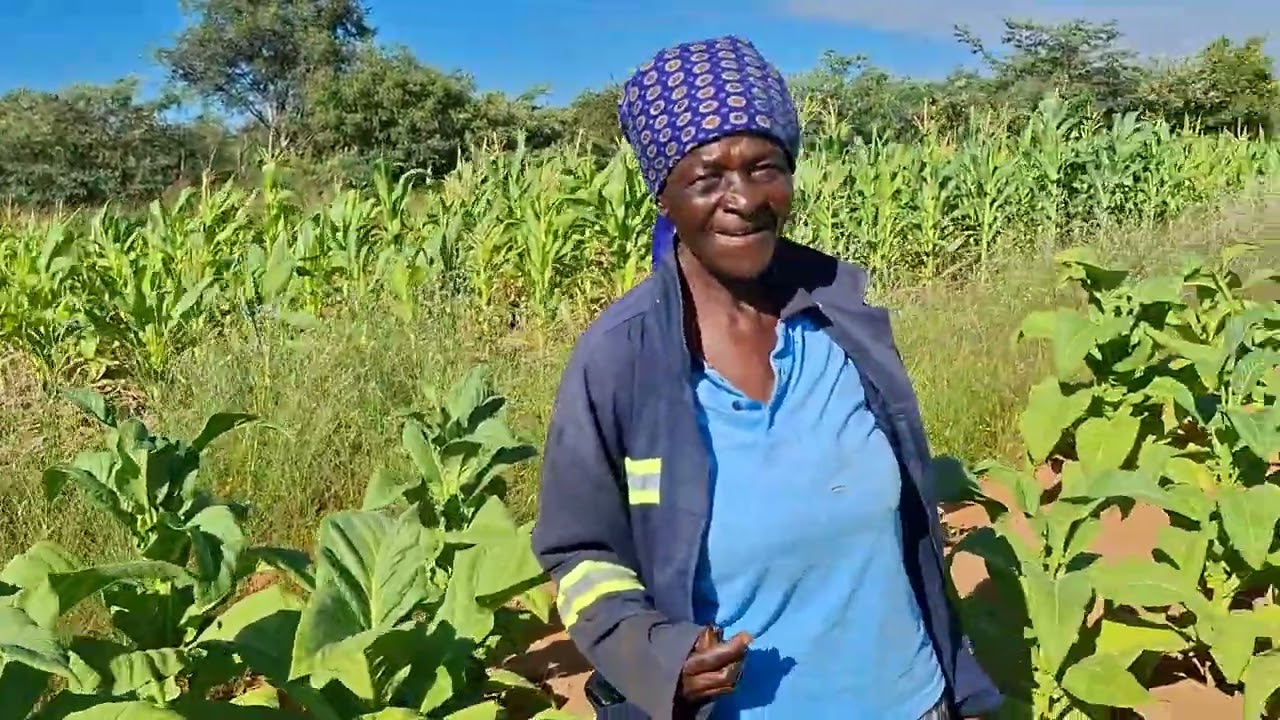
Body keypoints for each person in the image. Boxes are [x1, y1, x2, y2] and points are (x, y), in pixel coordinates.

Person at [530, 35, 1003, 720]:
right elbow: (579, 553)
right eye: (708, 177)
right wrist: (656, 653)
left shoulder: (842, 318)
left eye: (765, 168)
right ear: (663, 196)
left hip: (913, 701)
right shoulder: (621, 360)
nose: (744, 198)